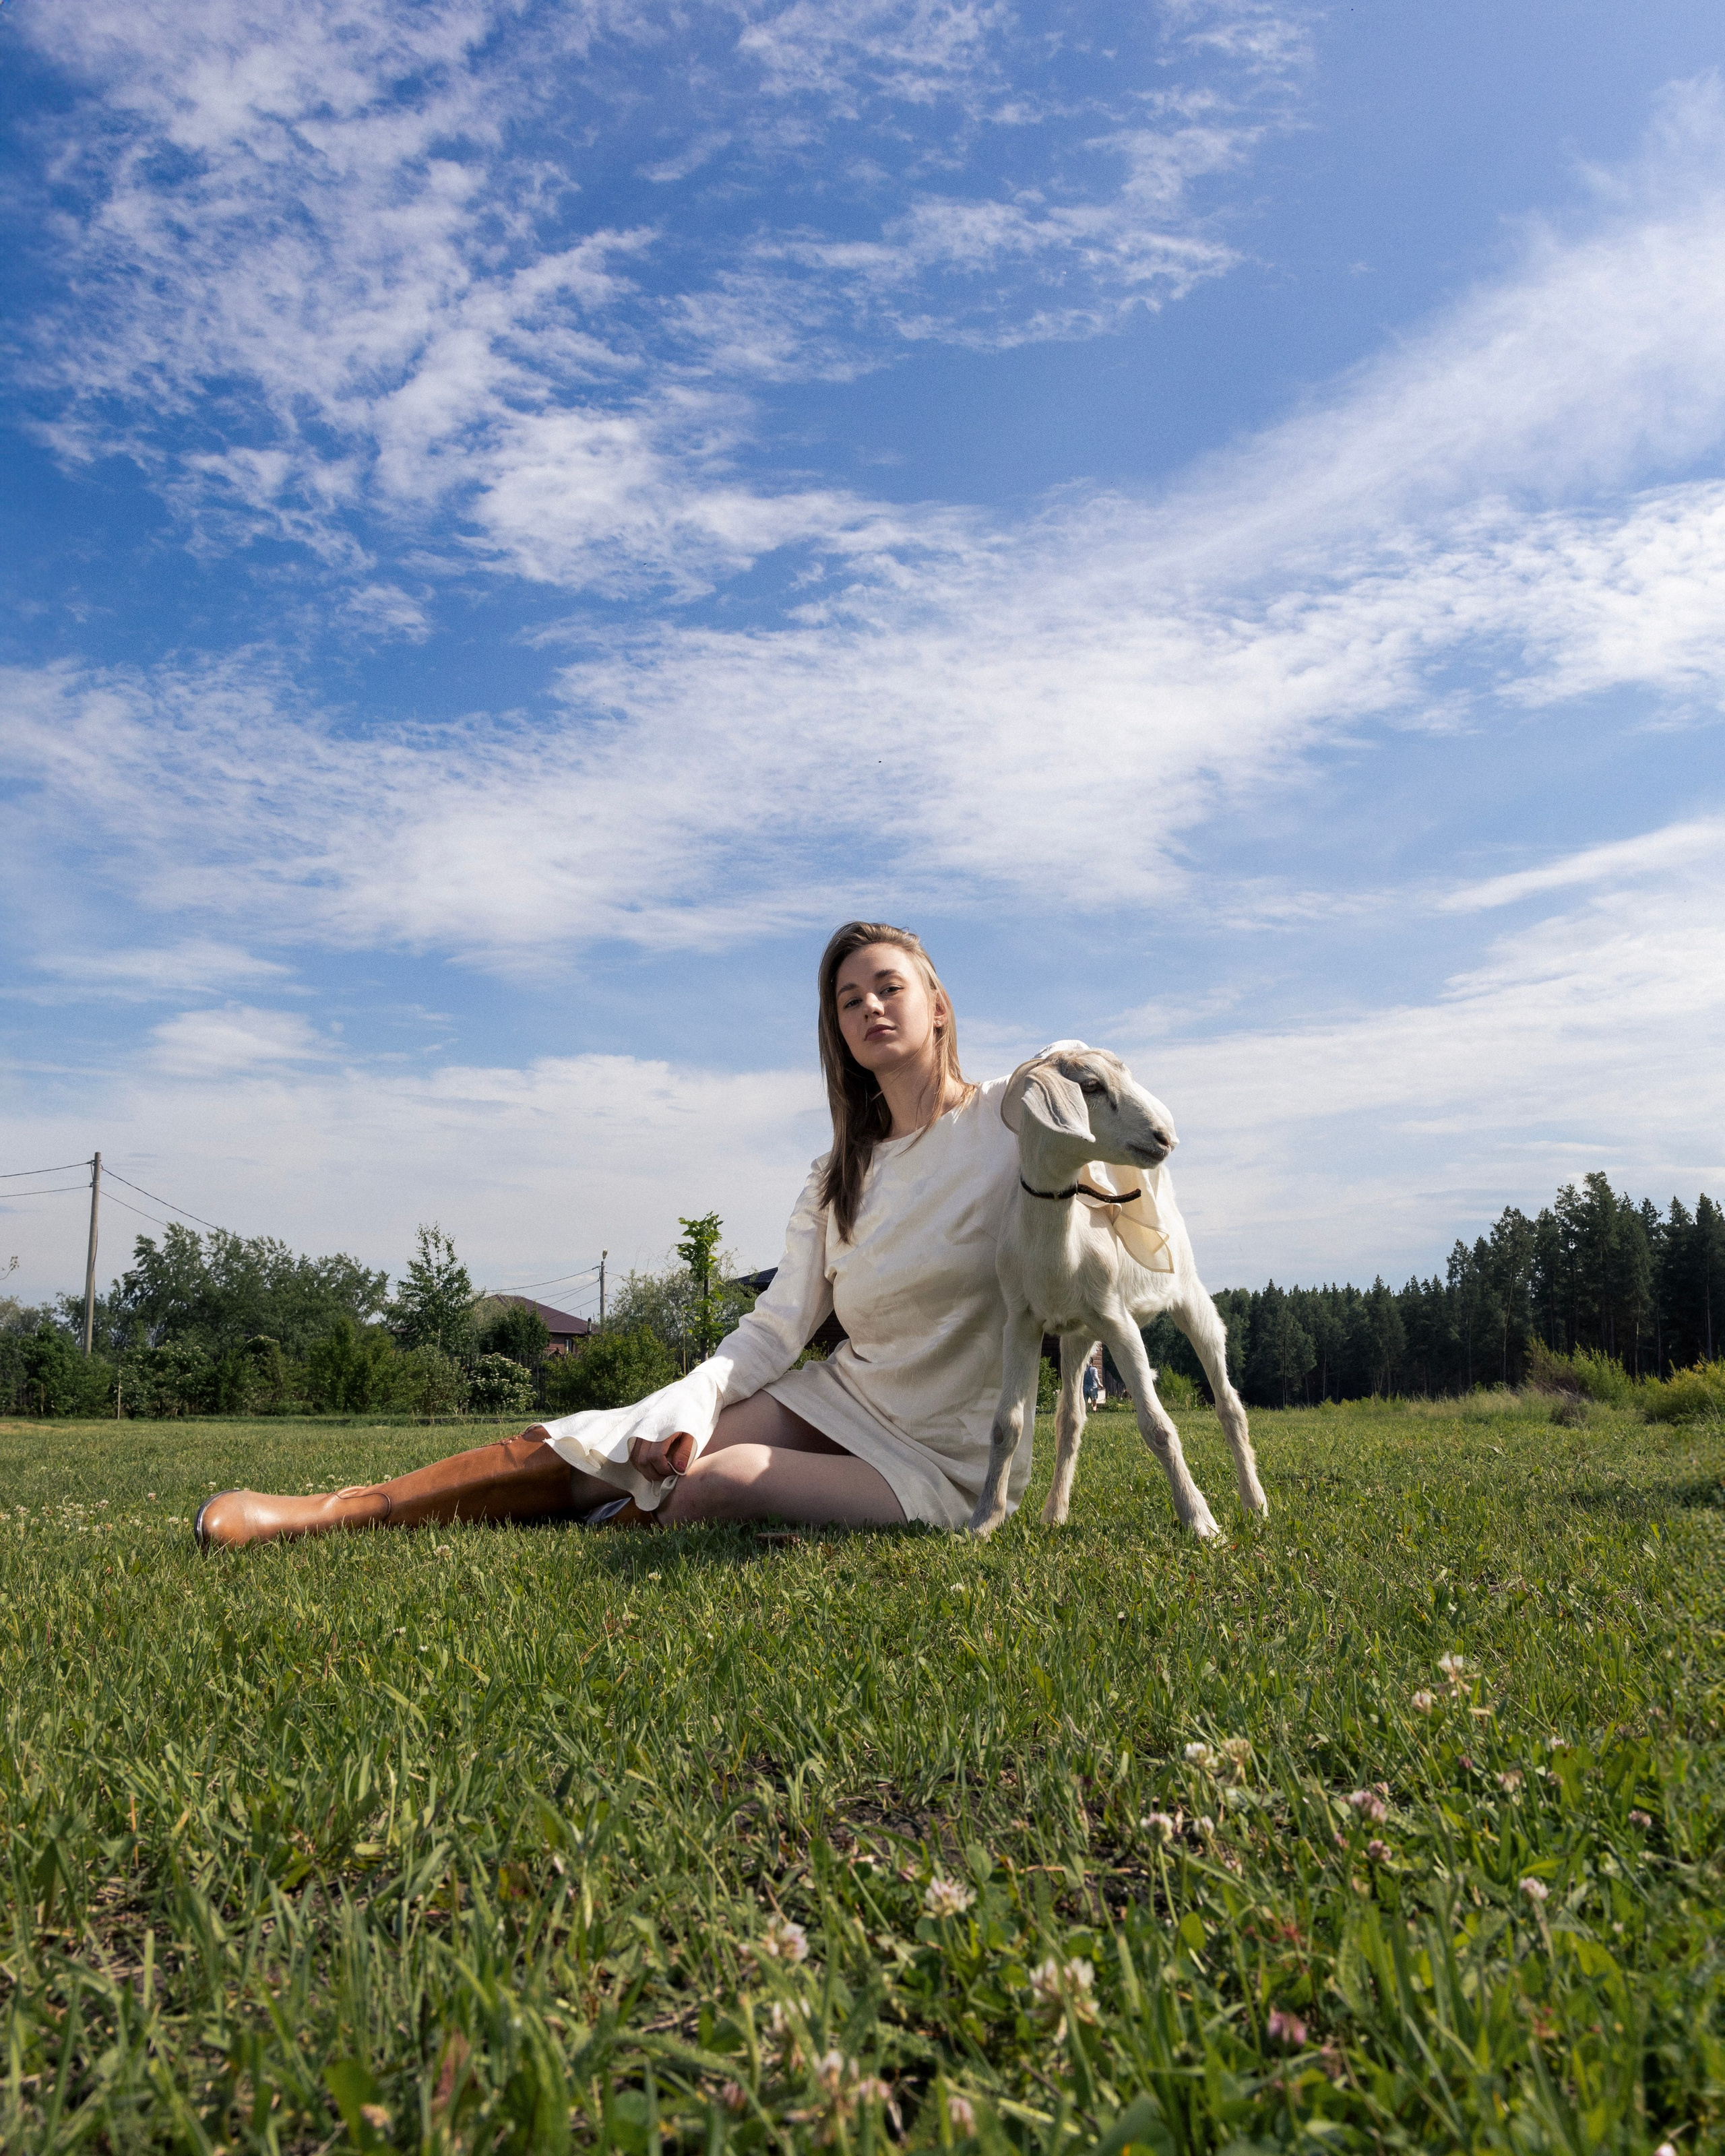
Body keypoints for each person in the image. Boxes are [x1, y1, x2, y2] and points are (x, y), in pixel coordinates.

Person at [195, 921, 1031, 1549]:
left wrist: (1069, 1066)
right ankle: (330, 1513)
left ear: (938, 1003)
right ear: (837, 1032)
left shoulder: (1012, 1117)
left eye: (888, 987)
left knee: (716, 1481)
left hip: (951, 1454)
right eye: (849, 1000)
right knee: (612, 1437)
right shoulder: (835, 1173)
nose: (870, 1008)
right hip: (845, 1397)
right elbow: (778, 1327)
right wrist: (689, 1397)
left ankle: (606, 1521)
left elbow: (1127, 1146)